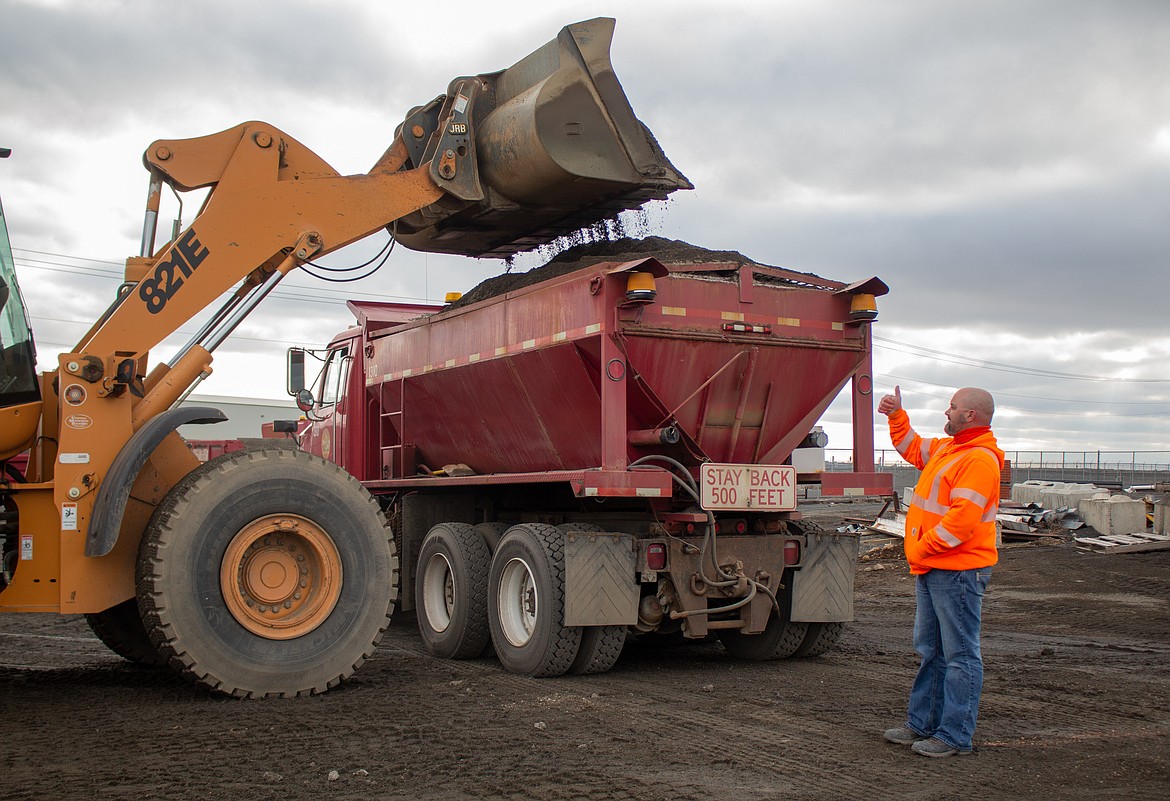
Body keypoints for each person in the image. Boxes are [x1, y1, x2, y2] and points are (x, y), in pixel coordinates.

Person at [877, 385, 1003, 757]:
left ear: (970, 416)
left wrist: (921, 547)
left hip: (958, 571)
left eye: (952, 408)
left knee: (960, 654)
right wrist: (896, 416)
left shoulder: (978, 460)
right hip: (936, 567)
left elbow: (961, 522)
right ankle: (923, 724)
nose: (946, 413)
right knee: (932, 650)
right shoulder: (950, 449)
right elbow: (912, 447)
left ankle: (954, 736)